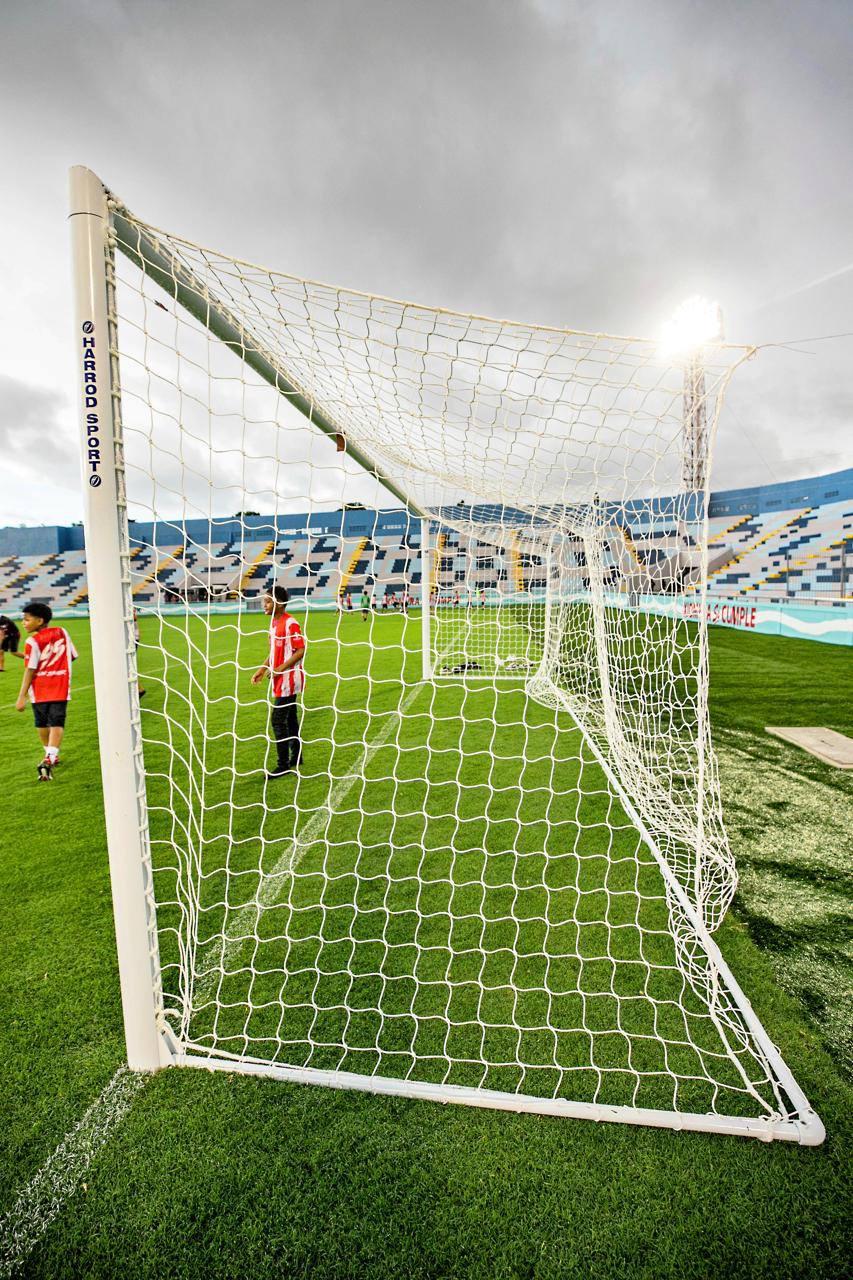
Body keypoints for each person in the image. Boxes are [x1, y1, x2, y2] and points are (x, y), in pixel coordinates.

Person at [14, 602, 78, 782]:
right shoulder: (63, 632)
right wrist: (59, 670)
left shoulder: (32, 642)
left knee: (44, 722)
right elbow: (72, 655)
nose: (24, 623)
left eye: (27, 620)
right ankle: (51, 754)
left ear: (40, 620)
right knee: (53, 721)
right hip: (60, 685)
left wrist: (21, 696)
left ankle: (49, 756)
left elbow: (30, 669)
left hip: (40, 689)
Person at [251, 585, 306, 779]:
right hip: (280, 678)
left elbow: (301, 650)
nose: (263, 605)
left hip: (289, 679)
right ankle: (297, 755)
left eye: (267, 601)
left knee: (277, 720)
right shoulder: (274, 623)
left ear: (279, 603)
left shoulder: (290, 623)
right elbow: (274, 652)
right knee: (290, 718)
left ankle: (282, 764)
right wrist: (262, 669)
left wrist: (280, 669)